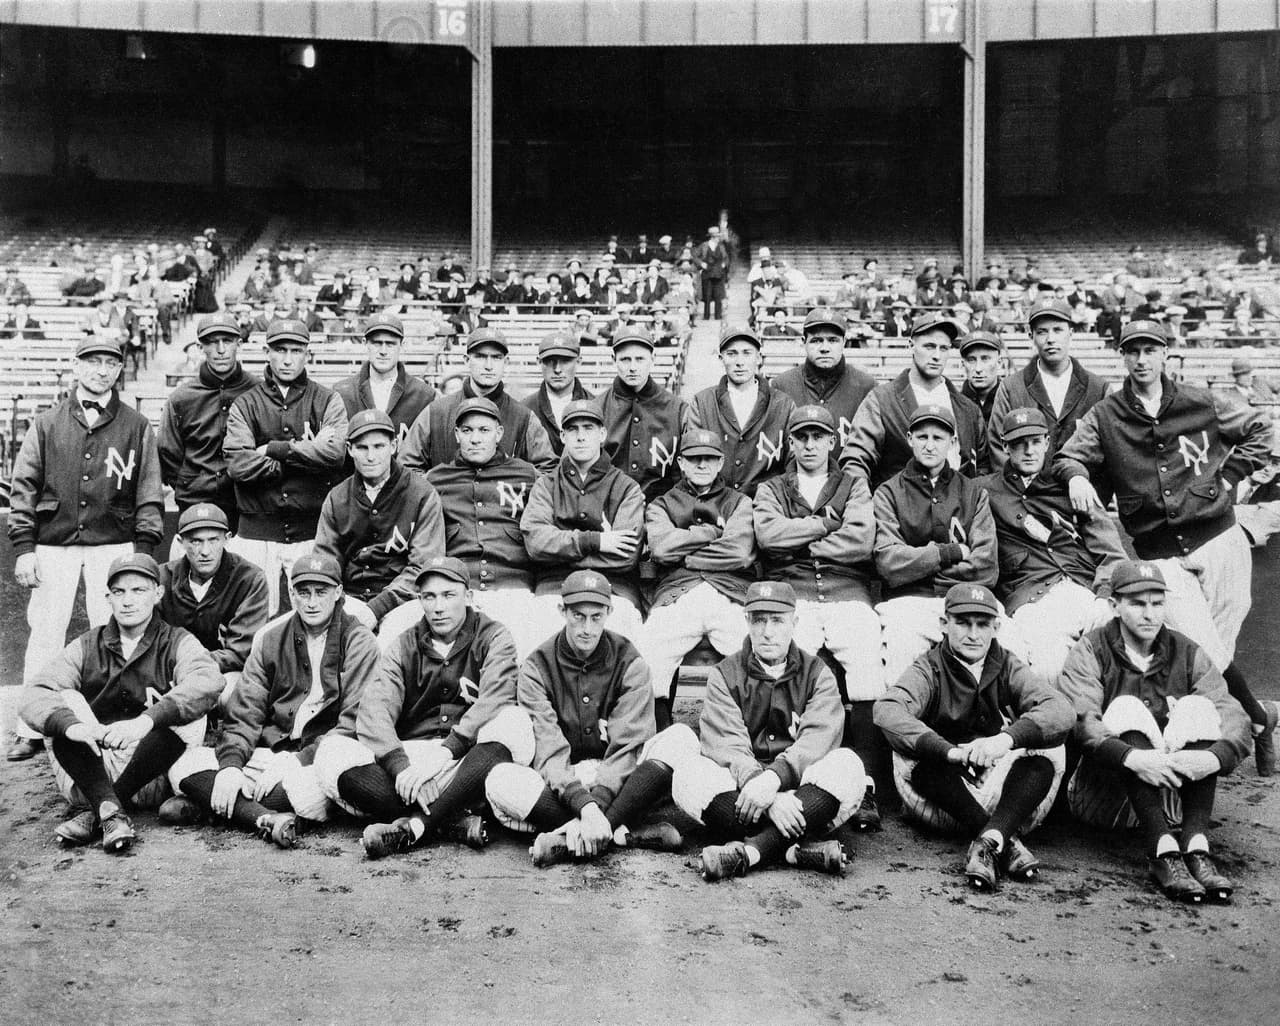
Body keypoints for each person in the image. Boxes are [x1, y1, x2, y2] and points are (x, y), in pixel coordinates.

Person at [1053, 319, 1277, 774]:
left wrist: (1230, 478)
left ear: (1165, 353)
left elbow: (1263, 431)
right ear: (1122, 355)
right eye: (1132, 350)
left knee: (1221, 647)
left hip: (1220, 539)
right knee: (1203, 650)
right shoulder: (1107, 414)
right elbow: (1068, 456)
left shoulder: (1200, 400)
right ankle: (1257, 717)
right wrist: (1077, 476)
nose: (1141, 359)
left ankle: (1223, 734)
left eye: (1149, 350)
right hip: (1160, 553)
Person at [5, 336, 163, 763]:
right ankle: (31, 727)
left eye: (110, 362)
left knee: (112, 629)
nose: (101, 370)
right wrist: (24, 544)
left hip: (113, 540)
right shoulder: (47, 421)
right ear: (76, 366)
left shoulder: (135, 424)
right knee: (46, 632)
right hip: (55, 540)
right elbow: (23, 487)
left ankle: (109, 719)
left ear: (119, 369)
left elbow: (149, 491)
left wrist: (143, 550)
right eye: (92, 361)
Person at [1058, 561, 1252, 903]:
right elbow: (1082, 721)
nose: (1149, 614)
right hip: (1104, 796)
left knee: (1198, 707)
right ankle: (1161, 851)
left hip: (1174, 797)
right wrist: (1134, 758)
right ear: (1115, 605)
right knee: (1126, 707)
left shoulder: (1185, 649)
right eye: (1137, 603)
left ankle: (1195, 845)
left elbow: (1232, 715)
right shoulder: (1092, 648)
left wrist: (1213, 758)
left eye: (1157, 602)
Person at [315, 556, 531, 858]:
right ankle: (449, 821)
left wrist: (447, 750)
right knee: (332, 751)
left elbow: (497, 697)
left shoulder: (494, 635)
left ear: (468, 597)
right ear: (420, 600)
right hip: (412, 761)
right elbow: (374, 711)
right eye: (429, 596)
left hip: (468, 759)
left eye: (448, 595)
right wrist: (400, 765)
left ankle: (417, 827)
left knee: (513, 720)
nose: (438, 606)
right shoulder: (404, 643)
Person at [165, 556, 378, 848]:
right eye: (303, 592)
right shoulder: (270, 639)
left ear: (339, 592)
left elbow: (355, 721)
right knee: (184, 765)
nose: (312, 602)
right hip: (271, 751)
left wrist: (298, 760)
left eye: (321, 592)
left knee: (310, 794)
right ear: (291, 594)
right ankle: (266, 817)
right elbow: (244, 712)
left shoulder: (358, 640)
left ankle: (232, 809)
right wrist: (230, 766)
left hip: (320, 757)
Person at [874, 583, 1075, 892]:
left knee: (1051, 745)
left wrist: (1004, 740)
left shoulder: (1006, 663)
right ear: (944, 624)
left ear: (996, 627)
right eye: (963, 623)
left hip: (1006, 795)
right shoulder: (930, 666)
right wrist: (951, 753)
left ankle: (990, 840)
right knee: (909, 749)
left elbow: (1060, 711)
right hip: (944, 799)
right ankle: (1004, 839)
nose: (973, 634)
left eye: (982, 624)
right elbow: (887, 710)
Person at [662, 581, 866, 881]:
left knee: (848, 765)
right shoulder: (726, 673)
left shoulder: (817, 672)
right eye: (759, 620)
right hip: (744, 793)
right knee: (688, 773)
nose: (767, 631)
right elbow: (726, 744)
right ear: (747, 621)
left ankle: (754, 850)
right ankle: (793, 850)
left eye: (777, 620)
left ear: (794, 623)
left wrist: (774, 780)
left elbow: (817, 741)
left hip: (800, 791)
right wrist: (766, 795)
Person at [19, 553, 222, 852]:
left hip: (153, 774)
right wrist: (74, 728)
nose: (128, 601)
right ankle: (109, 804)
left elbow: (209, 682)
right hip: (88, 770)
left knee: (192, 710)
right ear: (108, 598)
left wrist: (144, 722)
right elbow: (34, 692)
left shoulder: (177, 640)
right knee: (64, 701)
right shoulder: (89, 643)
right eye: (119, 592)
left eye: (138, 590)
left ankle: (105, 809)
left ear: (157, 593)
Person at [485, 572, 687, 866]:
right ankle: (620, 833)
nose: (587, 628)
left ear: (609, 613)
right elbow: (548, 750)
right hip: (563, 779)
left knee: (680, 738)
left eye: (596, 617)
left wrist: (596, 807)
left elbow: (627, 748)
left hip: (618, 780)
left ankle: (573, 838)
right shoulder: (536, 667)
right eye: (578, 616)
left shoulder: (631, 662)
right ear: (562, 611)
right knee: (499, 781)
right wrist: (584, 804)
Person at [753, 404, 885, 827]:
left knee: (865, 655)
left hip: (847, 589)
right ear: (790, 443)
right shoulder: (773, 487)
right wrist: (828, 524)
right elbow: (769, 537)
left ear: (833, 441)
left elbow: (862, 541)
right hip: (794, 594)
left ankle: (866, 783)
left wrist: (802, 535)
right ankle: (795, 772)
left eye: (818, 437)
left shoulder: (853, 484)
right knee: (788, 666)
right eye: (801, 437)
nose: (810, 445)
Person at [977, 408, 1125, 679]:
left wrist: (1104, 596)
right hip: (1031, 598)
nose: (1029, 451)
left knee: (1120, 634)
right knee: (1050, 662)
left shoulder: (1069, 484)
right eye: (1019, 444)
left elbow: (1111, 553)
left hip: (1083, 590)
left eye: (1035, 442)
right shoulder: (984, 491)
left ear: (1047, 443)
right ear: (1005, 447)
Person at [223, 318, 349, 616]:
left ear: (308, 354)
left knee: (315, 616)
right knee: (252, 620)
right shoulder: (246, 403)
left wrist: (274, 450)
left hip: (310, 530)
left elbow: (335, 454)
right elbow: (239, 464)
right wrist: (304, 459)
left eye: (296, 350)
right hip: (256, 530)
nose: (288, 358)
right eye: (280, 349)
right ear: (268, 352)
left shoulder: (327, 398)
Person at [872, 405, 1003, 687]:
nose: (930, 445)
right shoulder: (888, 492)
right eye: (922, 437)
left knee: (1009, 641)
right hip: (908, 603)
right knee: (901, 649)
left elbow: (986, 566)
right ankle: (906, 729)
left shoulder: (973, 492)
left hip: (968, 601)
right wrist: (949, 553)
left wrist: (921, 569)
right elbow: (888, 562)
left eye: (938, 438)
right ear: (909, 439)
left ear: (953, 442)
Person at [640, 430, 756, 715]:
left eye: (709, 458)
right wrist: (713, 532)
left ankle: (752, 740)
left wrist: (686, 555)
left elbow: (739, 552)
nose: (702, 465)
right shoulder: (662, 503)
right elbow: (662, 549)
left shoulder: (738, 502)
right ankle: (660, 741)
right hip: (679, 594)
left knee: (755, 659)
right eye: (694, 459)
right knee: (646, 660)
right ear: (681, 462)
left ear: (720, 463)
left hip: (729, 593)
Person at [419, 397, 544, 657]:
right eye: (467, 431)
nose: (475, 439)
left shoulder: (528, 475)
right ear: (456, 435)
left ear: (499, 433)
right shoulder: (435, 480)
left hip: (515, 589)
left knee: (524, 654)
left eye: (484, 430)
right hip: (457, 592)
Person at [520, 399, 646, 645]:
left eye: (588, 428)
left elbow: (625, 555)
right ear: (562, 435)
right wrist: (595, 541)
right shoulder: (546, 484)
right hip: (555, 586)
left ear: (602, 434)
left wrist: (560, 546)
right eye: (573, 429)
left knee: (625, 640)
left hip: (613, 588)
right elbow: (535, 543)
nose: (580, 437)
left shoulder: (626, 487)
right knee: (533, 636)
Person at [312, 409, 445, 639]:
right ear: (350, 449)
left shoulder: (421, 493)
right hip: (349, 598)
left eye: (379, 446)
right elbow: (326, 562)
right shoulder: (337, 497)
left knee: (393, 643)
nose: (371, 456)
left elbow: (424, 566)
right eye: (362, 448)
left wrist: (377, 608)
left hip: (404, 600)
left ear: (393, 446)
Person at [842, 312, 989, 490]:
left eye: (943, 348)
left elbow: (983, 467)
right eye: (929, 346)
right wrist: (864, 507)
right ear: (911, 345)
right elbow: (856, 461)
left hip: (956, 511)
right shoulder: (882, 400)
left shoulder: (967, 408)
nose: (936, 355)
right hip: (898, 511)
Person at [158, 505, 270, 712]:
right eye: (195, 541)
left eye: (213, 540)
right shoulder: (162, 578)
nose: (205, 551)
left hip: (223, 672)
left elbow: (240, 652)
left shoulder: (249, 578)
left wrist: (189, 665)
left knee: (235, 694)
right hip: (171, 672)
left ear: (227, 538)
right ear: (181, 542)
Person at [400, 327, 555, 474]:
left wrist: (516, 486)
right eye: (480, 356)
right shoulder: (436, 412)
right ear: (467, 360)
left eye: (496, 358)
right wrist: (436, 492)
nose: (488, 366)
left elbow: (548, 473)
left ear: (505, 363)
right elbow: (406, 467)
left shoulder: (523, 417)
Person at [158, 313, 260, 530]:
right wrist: (191, 483)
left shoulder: (257, 391)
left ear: (238, 344)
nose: (221, 350)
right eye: (213, 343)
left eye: (228, 341)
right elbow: (168, 452)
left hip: (246, 501)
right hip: (196, 500)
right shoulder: (182, 397)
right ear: (200, 346)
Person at [987, 298, 1110, 471]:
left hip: (1080, 493)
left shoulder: (1098, 388)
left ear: (1071, 333)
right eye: (1042, 332)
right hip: (1026, 494)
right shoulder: (1011, 387)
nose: (1050, 339)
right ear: (1032, 336)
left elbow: (1107, 449)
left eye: (1058, 330)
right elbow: (999, 446)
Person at [690, 325, 795, 497]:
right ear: (721, 358)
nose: (740, 362)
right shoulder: (702, 402)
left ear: (758, 358)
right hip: (715, 503)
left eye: (747, 353)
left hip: (767, 504)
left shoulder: (782, 404)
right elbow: (693, 461)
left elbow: (793, 463)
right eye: (732, 354)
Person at [597, 326, 693, 501]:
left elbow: (686, 476)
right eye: (625, 359)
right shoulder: (597, 409)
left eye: (640, 359)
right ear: (614, 360)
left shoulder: (678, 409)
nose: (633, 367)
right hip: (608, 508)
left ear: (653, 359)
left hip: (662, 511)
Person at [772, 308, 877, 449]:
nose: (824, 348)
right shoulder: (782, 385)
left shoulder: (867, 386)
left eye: (833, 340)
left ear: (844, 342)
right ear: (804, 342)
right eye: (816, 340)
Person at [333, 314, 437, 443]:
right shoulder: (342, 393)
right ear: (365, 344)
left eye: (390, 344)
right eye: (377, 343)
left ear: (402, 345)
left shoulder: (423, 395)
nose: (383, 351)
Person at [521, 332, 592, 457]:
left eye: (565, 361)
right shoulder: (524, 409)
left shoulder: (594, 404)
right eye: (550, 361)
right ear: (539, 362)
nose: (558, 369)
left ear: (579, 361)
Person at [958, 330, 1004, 425]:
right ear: (963, 365)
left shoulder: (1010, 401)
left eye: (985, 359)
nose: (978, 369)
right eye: (971, 360)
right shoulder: (954, 404)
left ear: (999, 363)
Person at [693, 226, 730, 322]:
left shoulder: (721, 246)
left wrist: (723, 264)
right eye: (717, 237)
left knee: (718, 295)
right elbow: (695, 257)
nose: (719, 239)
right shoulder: (704, 246)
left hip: (718, 274)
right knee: (707, 295)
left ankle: (718, 316)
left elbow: (726, 258)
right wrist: (702, 264)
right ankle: (706, 316)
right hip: (707, 273)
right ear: (713, 237)